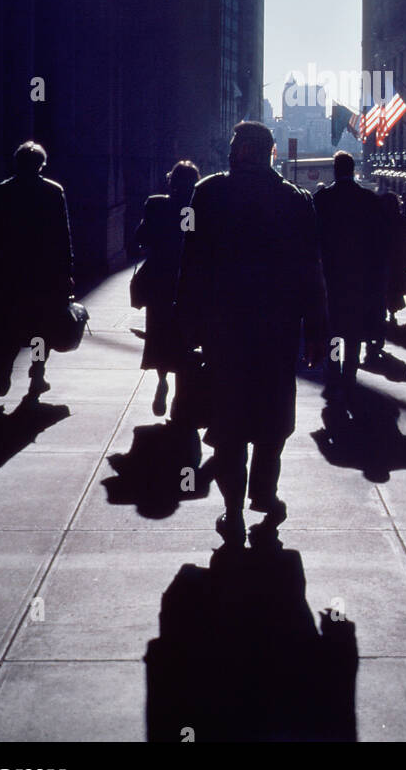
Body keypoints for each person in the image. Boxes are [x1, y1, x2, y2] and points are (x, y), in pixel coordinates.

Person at [176, 122, 327, 547]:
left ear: (239, 151)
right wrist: (316, 329)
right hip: (277, 332)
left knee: (229, 423)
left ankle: (234, 511)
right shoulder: (296, 201)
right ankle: (264, 492)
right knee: (271, 419)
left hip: (224, 331)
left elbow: (192, 265)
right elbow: (311, 271)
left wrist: (186, 323)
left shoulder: (207, 194)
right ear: (270, 153)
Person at [0, 141, 74, 399]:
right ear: (41, 165)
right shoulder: (53, 192)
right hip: (44, 273)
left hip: (8, 271)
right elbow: (62, 236)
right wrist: (67, 271)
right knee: (41, 327)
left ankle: (6, 363)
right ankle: (37, 373)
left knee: (9, 322)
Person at [313, 152, 387, 398]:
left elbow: (312, 239)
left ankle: (334, 372)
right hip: (360, 278)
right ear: (353, 169)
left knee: (334, 331)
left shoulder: (323, 199)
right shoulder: (368, 199)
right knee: (354, 331)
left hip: (330, 277)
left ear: (335, 170)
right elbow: (379, 243)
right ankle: (350, 374)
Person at [134, 161, 199, 419]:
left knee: (159, 334)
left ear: (171, 181)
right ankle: (181, 397)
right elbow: (194, 242)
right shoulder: (193, 209)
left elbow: (142, 237)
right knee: (185, 337)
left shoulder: (156, 204)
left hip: (159, 279)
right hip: (185, 281)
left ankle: (162, 380)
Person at [379, 191, 406, 339]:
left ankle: (382, 313)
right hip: (397, 261)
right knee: (394, 288)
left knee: (382, 289)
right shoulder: (401, 220)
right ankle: (392, 313)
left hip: (382, 260)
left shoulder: (378, 220)